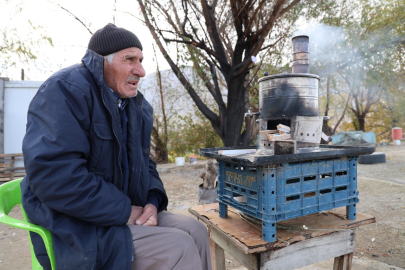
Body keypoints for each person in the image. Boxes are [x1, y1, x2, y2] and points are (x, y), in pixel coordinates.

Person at [20, 23, 212, 270]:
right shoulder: (65, 90)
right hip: (75, 224)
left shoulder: (135, 106)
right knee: (178, 246)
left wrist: (152, 203)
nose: (141, 71)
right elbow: (54, 176)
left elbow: (146, 165)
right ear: (102, 62)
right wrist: (125, 212)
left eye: (141, 60)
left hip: (118, 213)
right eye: (129, 59)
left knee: (195, 230)